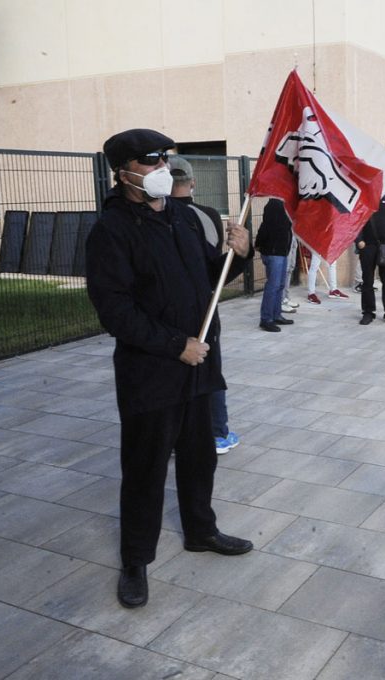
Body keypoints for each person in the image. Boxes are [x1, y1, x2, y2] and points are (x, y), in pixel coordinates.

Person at [85, 128, 254, 610]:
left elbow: (208, 279)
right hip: (152, 373)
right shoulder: (111, 231)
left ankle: (201, 530)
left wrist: (236, 256)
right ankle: (136, 559)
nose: (162, 168)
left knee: (200, 456)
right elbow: (114, 311)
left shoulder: (180, 217)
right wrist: (174, 345)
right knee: (145, 467)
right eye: (151, 161)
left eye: (165, 159)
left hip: (200, 365)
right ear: (123, 172)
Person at [169, 156, 241, 454]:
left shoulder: (152, 216)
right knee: (209, 368)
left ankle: (176, 434)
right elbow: (215, 268)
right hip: (201, 307)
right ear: (193, 182)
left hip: (166, 309)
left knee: (174, 372)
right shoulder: (206, 215)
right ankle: (216, 432)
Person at [356, 191, 385, 325]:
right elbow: (355, 219)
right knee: (367, 281)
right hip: (368, 246)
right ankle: (368, 312)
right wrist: (359, 240)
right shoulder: (363, 197)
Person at [254, 198, 296, 332]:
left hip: (282, 252)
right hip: (273, 252)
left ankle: (276, 315)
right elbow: (266, 226)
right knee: (273, 286)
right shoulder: (275, 204)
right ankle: (266, 319)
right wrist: (259, 244)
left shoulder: (287, 205)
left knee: (280, 285)